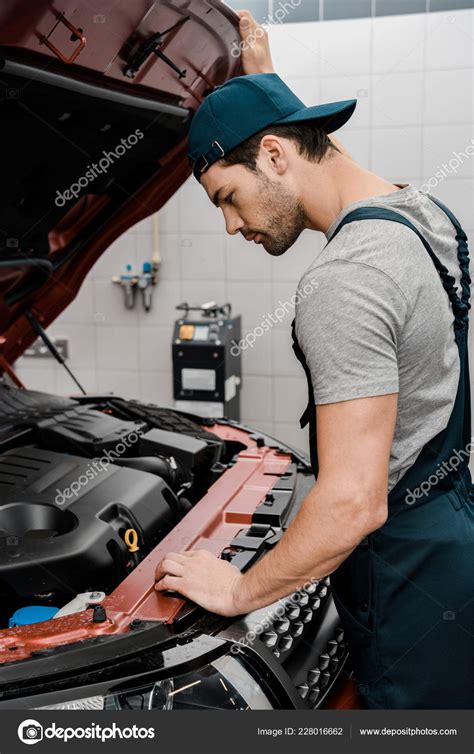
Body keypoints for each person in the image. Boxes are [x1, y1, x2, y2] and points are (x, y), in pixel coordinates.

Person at [154, 11, 474, 709]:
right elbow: (297, 145)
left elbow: (353, 503)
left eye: (227, 200)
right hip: (452, 535)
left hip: (401, 575)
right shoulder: (422, 214)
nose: (233, 226)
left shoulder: (342, 281)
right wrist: (263, 83)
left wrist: (239, 588)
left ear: (272, 155)